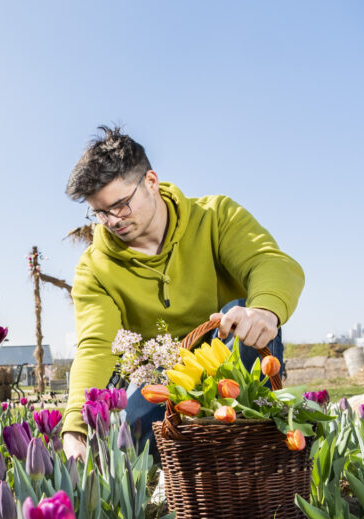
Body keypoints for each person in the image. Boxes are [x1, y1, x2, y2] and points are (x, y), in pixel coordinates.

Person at [61, 126, 304, 461]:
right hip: (166, 380)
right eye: (100, 212)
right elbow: (96, 346)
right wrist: (75, 429)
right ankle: (190, 470)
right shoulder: (94, 267)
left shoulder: (216, 216)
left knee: (243, 310)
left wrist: (265, 309)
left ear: (150, 181)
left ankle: (253, 455)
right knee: (132, 439)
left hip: (230, 354)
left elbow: (269, 262)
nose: (113, 221)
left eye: (121, 205)